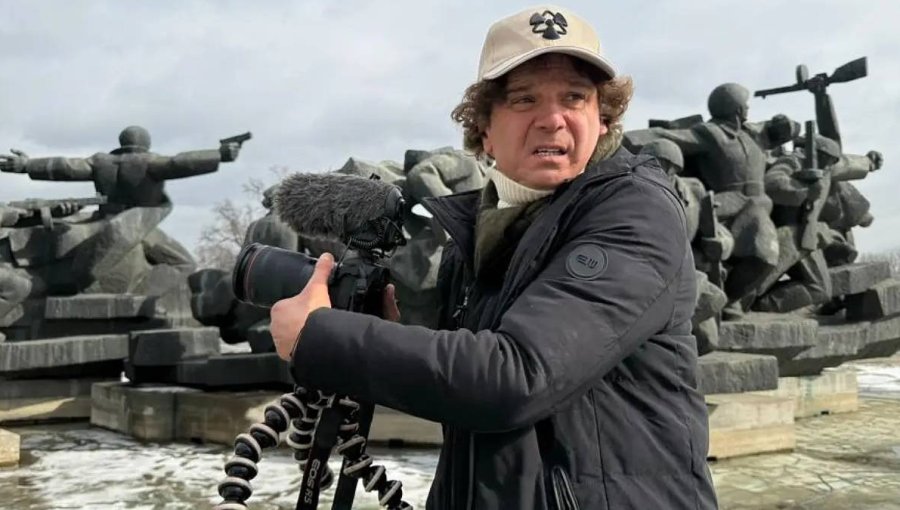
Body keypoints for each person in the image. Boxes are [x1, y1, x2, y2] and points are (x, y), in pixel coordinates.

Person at [270, 6, 717, 509]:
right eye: (524, 100)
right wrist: (385, 331)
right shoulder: (482, 228)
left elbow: (515, 378)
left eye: (575, 97)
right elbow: (469, 389)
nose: (552, 119)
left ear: (603, 119)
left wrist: (321, 338)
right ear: (484, 129)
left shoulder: (634, 211)